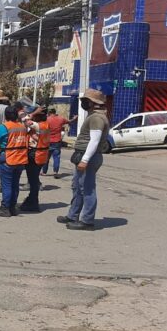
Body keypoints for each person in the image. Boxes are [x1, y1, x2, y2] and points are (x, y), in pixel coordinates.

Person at [57, 89, 110, 231]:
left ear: (92, 103)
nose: (83, 103)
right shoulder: (93, 116)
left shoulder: (96, 118)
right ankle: (73, 215)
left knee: (87, 189)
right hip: (84, 155)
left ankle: (87, 221)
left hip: (89, 156)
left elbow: (94, 140)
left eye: (85, 100)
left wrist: (85, 160)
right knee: (77, 187)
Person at [0, 105, 29, 217]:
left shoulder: (4, 127)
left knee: (6, 185)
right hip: (20, 159)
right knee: (15, 184)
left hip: (8, 159)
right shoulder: (22, 127)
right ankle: (12, 207)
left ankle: (5, 208)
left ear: (5, 115)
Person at [20, 108, 50, 212]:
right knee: (34, 180)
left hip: (35, 154)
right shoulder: (45, 125)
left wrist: (33, 113)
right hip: (41, 154)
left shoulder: (38, 125)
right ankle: (31, 200)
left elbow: (25, 120)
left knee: (33, 180)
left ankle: (33, 202)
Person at [42, 108, 77, 177]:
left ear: (49, 113)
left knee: (46, 158)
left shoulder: (46, 119)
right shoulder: (61, 119)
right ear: (55, 112)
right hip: (57, 141)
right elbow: (69, 121)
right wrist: (74, 118)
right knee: (56, 157)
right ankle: (56, 172)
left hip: (48, 141)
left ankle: (44, 172)